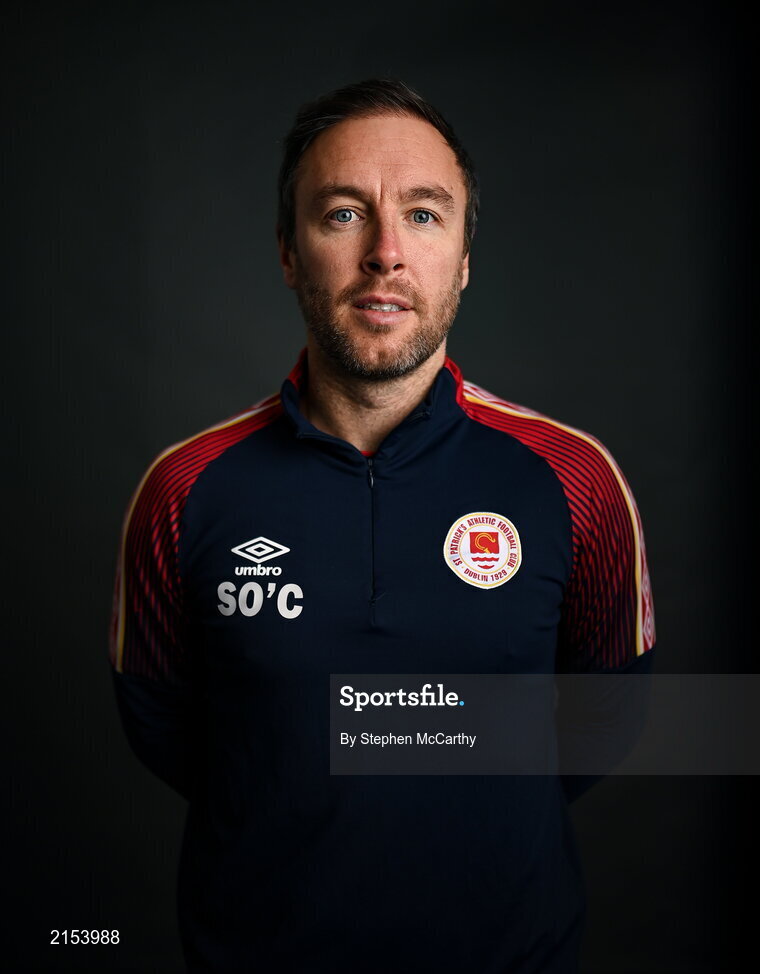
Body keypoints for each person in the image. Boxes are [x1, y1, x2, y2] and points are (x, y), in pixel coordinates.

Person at [109, 78, 656, 973]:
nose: (387, 254)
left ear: (466, 258)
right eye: (342, 215)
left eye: (426, 215)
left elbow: (611, 715)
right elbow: (167, 729)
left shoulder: (576, 480)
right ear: (289, 251)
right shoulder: (182, 490)